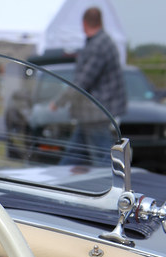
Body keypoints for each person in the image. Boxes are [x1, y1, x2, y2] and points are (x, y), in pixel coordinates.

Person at [53, 7, 126, 166]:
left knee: (102, 160)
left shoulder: (98, 46)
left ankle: (111, 181)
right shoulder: (103, 42)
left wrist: (58, 102)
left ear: (84, 24)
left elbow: (83, 81)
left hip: (95, 113)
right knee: (74, 153)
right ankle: (60, 177)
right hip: (92, 113)